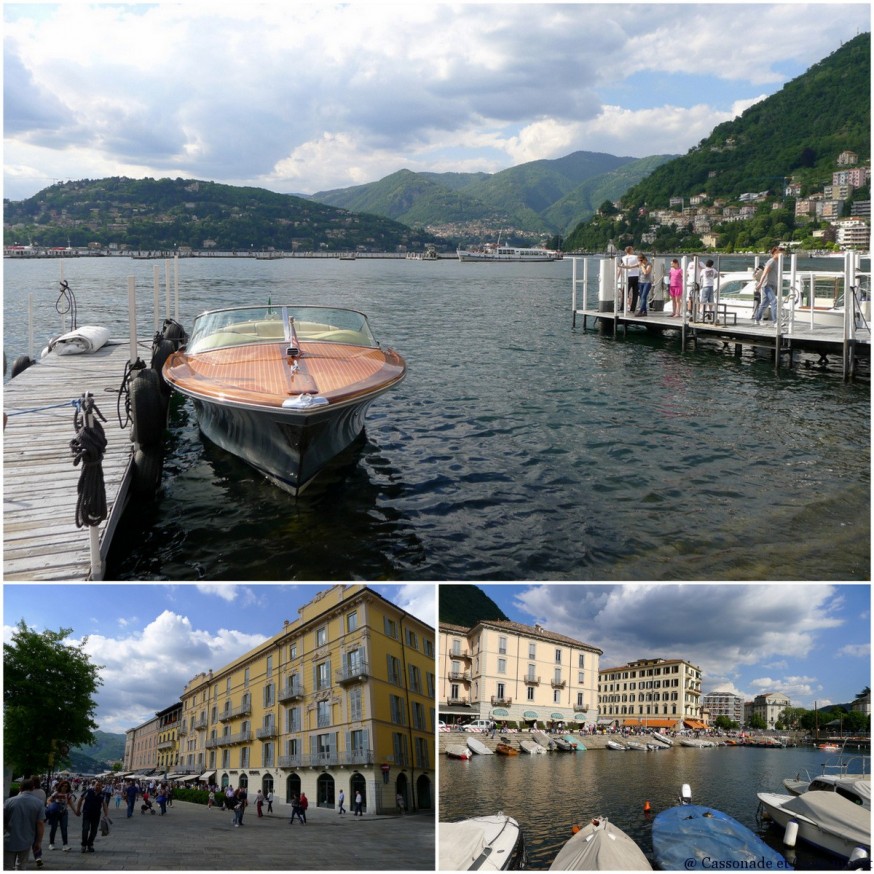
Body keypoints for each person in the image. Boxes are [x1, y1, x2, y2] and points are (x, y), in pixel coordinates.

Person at [4, 779, 46, 871]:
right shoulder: (39, 803)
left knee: (7, 866)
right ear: (33, 788)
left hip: (8, 839)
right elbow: (40, 824)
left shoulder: (9, 801)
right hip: (27, 840)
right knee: (21, 866)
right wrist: (38, 841)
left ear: (20, 788)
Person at [76, 781, 108, 854]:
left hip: (96, 814)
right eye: (97, 785)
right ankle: (84, 845)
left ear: (101, 786)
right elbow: (80, 800)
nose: (98, 787)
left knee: (94, 830)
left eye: (100, 785)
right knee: (85, 828)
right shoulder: (88, 791)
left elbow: (104, 804)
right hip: (87, 813)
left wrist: (106, 814)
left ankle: (90, 844)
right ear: (94, 785)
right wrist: (78, 810)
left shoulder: (102, 794)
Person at [755, 246, 783, 325]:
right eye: (780, 252)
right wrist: (760, 284)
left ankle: (757, 319)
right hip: (767, 285)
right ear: (775, 253)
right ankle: (776, 322)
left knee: (764, 304)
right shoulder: (771, 261)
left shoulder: (777, 262)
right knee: (774, 301)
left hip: (773, 285)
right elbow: (764, 273)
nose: (781, 254)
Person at [46, 779, 76, 852]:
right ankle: (51, 843)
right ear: (60, 786)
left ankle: (65, 845)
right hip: (55, 812)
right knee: (54, 828)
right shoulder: (56, 793)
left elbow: (71, 803)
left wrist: (76, 811)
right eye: (63, 786)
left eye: (66, 786)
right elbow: (49, 800)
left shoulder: (68, 794)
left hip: (64, 813)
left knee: (64, 828)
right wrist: (52, 806)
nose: (64, 787)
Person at [618, 246, 640, 312]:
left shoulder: (623, 258)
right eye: (632, 249)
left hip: (627, 276)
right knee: (635, 293)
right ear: (630, 250)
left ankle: (622, 307)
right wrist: (634, 266)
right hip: (636, 275)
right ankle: (632, 308)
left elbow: (623, 266)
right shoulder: (636, 257)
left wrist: (628, 267)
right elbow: (639, 264)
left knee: (625, 293)